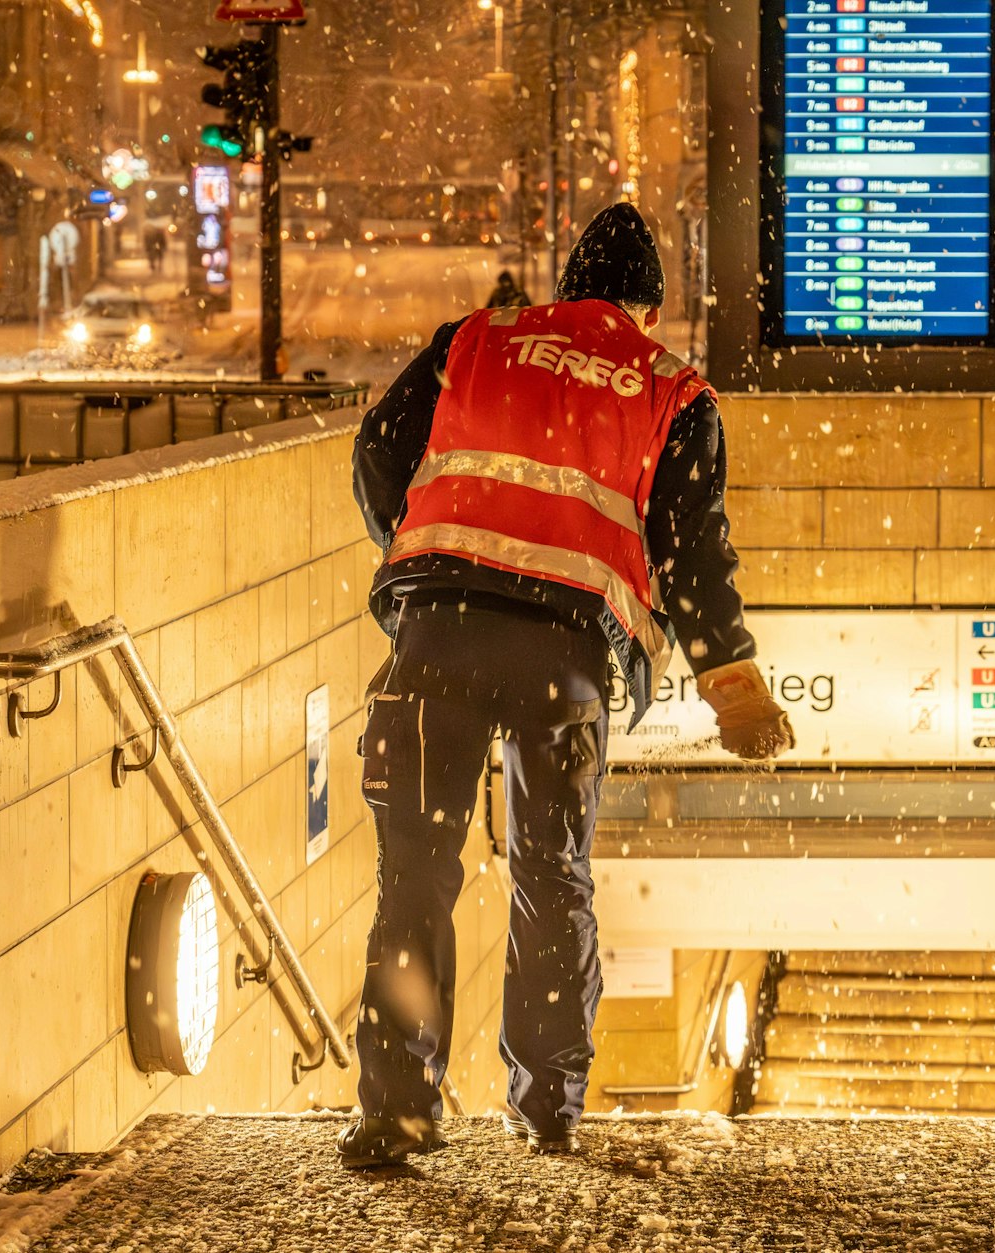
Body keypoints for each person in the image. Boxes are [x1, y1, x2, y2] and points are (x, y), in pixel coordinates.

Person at [338, 203, 794, 1170]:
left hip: (436, 635)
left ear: (568, 286)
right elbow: (692, 552)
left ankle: (398, 1112)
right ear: (646, 308)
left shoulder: (480, 340)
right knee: (551, 874)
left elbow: (380, 445)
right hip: (567, 658)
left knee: (414, 879)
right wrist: (731, 682)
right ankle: (547, 1102)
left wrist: (413, 551)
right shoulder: (672, 389)